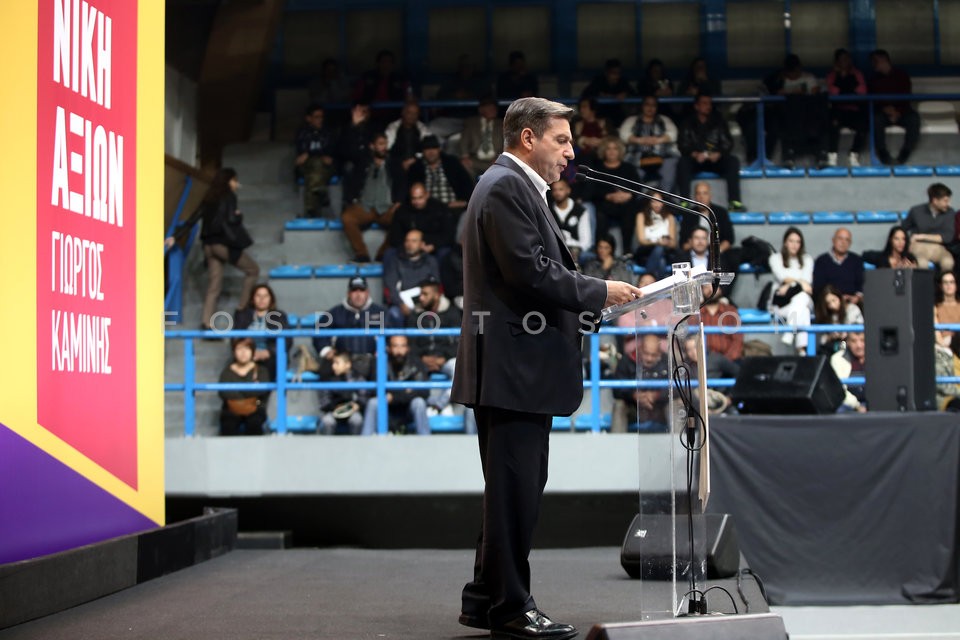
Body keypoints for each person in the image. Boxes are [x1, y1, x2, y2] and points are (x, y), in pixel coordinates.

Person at [451, 97, 641, 640]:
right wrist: (600, 292)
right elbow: (531, 273)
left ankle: (486, 597)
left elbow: (533, 276)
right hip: (514, 373)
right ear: (528, 138)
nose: (571, 151)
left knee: (508, 492)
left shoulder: (509, 185)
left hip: (516, 369)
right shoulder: (507, 186)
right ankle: (511, 608)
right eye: (562, 140)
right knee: (514, 493)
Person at [165, 168, 260, 331]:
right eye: (235, 181)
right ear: (230, 181)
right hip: (222, 244)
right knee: (253, 270)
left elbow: (193, 218)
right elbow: (231, 219)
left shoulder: (209, 197)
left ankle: (206, 322)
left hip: (208, 246)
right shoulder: (230, 196)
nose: (237, 185)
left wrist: (176, 235)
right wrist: (238, 215)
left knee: (214, 285)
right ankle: (241, 309)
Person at [340, 132, 406, 263]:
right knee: (347, 218)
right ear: (372, 146)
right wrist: (351, 200)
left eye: (385, 144)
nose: (384, 147)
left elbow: (403, 184)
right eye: (381, 144)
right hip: (365, 206)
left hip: (387, 207)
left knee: (403, 217)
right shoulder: (362, 162)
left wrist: (398, 202)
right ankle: (362, 254)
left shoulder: (394, 163)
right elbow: (351, 181)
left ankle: (383, 254)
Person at [312, 276, 391, 380]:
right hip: (343, 360)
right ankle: (329, 397)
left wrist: (384, 349)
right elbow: (318, 330)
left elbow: (393, 337)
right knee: (326, 370)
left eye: (362, 290)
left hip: (371, 359)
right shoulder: (336, 312)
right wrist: (326, 351)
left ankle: (377, 397)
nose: (358, 295)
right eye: (354, 291)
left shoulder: (380, 312)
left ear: (367, 292)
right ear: (348, 293)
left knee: (381, 367)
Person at [676, 93, 745, 211]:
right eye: (704, 103)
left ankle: (734, 201)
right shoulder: (688, 123)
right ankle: (685, 202)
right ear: (696, 106)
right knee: (682, 163)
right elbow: (682, 144)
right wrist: (695, 154)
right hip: (696, 160)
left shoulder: (718, 121)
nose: (708, 106)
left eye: (709, 103)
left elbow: (728, 143)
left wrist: (719, 153)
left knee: (733, 161)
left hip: (715, 160)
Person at [406, 275, 463, 414]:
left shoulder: (452, 313)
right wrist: (422, 358)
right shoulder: (415, 315)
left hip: (445, 360)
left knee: (460, 368)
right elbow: (410, 343)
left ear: (437, 295)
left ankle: (438, 405)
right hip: (421, 361)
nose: (421, 298)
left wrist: (442, 358)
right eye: (421, 294)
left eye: (425, 294)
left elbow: (460, 342)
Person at [362, 335, 430, 435]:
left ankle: (426, 444)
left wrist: (393, 397)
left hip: (407, 409)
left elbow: (424, 391)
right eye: (395, 346)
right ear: (388, 348)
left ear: (408, 348)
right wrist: (406, 391)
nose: (399, 351)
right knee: (373, 402)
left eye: (403, 346)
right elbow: (374, 390)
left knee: (419, 403)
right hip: (387, 409)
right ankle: (365, 443)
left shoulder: (416, 363)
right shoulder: (378, 362)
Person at [584, 136, 642, 245]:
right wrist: (608, 196)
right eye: (608, 148)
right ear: (603, 151)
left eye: (615, 148)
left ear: (619, 151)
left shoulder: (629, 168)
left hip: (626, 204)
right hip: (605, 204)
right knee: (600, 216)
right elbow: (592, 191)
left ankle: (627, 251)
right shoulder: (597, 169)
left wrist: (628, 195)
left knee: (630, 213)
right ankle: (600, 249)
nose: (611, 152)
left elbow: (637, 187)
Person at [867, 49, 920, 165]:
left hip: (902, 111)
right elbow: (872, 98)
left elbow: (906, 95)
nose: (873, 64)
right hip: (883, 112)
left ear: (884, 60)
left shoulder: (902, 76)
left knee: (914, 118)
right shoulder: (872, 79)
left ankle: (905, 153)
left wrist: (898, 112)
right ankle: (882, 153)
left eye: (875, 61)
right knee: (876, 119)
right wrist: (885, 109)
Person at [768, 227, 814, 354]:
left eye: (798, 241)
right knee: (803, 309)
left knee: (802, 298)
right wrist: (799, 283)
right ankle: (802, 350)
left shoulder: (807, 259)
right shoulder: (775, 258)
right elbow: (782, 276)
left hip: (800, 302)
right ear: (785, 242)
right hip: (782, 303)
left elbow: (808, 282)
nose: (794, 245)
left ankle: (789, 331)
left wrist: (790, 284)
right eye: (791, 241)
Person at [610, 334, 670, 433]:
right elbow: (616, 389)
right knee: (619, 406)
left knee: (677, 404)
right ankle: (616, 447)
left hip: (660, 408)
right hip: (634, 409)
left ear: (659, 352)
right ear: (640, 349)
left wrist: (657, 395)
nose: (649, 358)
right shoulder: (626, 361)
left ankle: (679, 445)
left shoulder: (667, 362)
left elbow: (678, 388)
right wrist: (633, 395)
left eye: (653, 355)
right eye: (646, 353)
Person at [619, 95, 679, 192]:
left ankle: (665, 200)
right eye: (647, 104)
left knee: (670, 166)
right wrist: (640, 140)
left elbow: (673, 134)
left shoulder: (664, 120)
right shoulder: (632, 120)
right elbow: (623, 134)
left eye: (653, 105)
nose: (650, 108)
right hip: (637, 156)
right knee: (634, 175)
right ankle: (641, 202)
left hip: (663, 156)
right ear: (642, 106)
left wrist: (658, 140)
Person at [382, 229, 441, 325]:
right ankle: (399, 340)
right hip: (403, 304)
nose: (409, 244)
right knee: (394, 313)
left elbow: (436, 286)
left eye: (414, 241)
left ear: (422, 244)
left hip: (425, 302)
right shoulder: (395, 261)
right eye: (407, 241)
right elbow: (390, 288)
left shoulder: (431, 261)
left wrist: (430, 303)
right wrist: (401, 304)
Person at [233, 284, 292, 378]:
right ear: (252, 298)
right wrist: (249, 353)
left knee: (271, 365)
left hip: (270, 357)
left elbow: (287, 340)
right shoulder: (242, 315)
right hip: (247, 355)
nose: (262, 299)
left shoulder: (279, 316)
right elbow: (235, 338)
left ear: (271, 299)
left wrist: (268, 352)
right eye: (258, 296)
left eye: (265, 296)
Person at [407, 135, 474, 215]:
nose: (431, 152)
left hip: (453, 209)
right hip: (428, 211)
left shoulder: (452, 163)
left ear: (439, 149)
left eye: (434, 148)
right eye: (427, 149)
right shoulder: (416, 168)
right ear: (423, 152)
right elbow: (411, 193)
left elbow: (467, 185)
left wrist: (465, 203)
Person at [385, 182, 455, 258]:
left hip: (433, 246)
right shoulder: (402, 211)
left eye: (420, 197)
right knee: (390, 253)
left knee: (445, 252)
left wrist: (434, 245)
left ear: (427, 195)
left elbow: (448, 235)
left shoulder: (440, 209)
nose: (417, 202)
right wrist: (412, 245)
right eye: (414, 198)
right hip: (408, 247)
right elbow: (395, 237)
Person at [218, 337, 271, 436]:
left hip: (256, 407)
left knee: (254, 423)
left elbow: (263, 390)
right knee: (228, 425)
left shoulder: (261, 370)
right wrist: (251, 389)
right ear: (234, 351)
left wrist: (236, 389)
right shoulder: (227, 371)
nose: (243, 352)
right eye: (239, 349)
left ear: (252, 351)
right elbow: (223, 393)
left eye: (247, 348)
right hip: (231, 408)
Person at [825, 48, 868, 168]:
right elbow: (833, 92)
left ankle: (854, 153)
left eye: (847, 59)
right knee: (832, 124)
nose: (846, 62)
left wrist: (847, 80)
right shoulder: (832, 75)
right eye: (842, 60)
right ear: (837, 62)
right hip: (838, 110)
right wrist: (840, 76)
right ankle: (832, 154)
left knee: (863, 125)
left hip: (854, 110)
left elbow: (862, 91)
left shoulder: (857, 74)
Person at [294, 104, 337, 217]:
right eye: (316, 117)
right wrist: (317, 154)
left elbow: (330, 150)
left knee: (315, 171)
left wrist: (309, 154)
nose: (320, 120)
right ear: (309, 118)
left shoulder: (329, 132)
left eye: (321, 117)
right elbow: (302, 151)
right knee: (315, 165)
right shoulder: (302, 133)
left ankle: (311, 208)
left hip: (325, 166)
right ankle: (321, 193)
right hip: (307, 165)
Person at [903, 183, 958, 272]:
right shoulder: (916, 211)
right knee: (922, 263)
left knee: (948, 262)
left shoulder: (950, 213)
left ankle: (943, 285)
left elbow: (948, 237)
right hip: (918, 246)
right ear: (935, 200)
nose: (948, 204)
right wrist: (908, 243)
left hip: (939, 247)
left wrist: (920, 236)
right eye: (945, 201)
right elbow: (903, 229)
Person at [317, 350, 367, 436]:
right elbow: (324, 400)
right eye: (333, 363)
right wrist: (334, 407)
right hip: (332, 411)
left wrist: (357, 404)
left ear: (348, 364)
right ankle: (325, 447)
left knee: (357, 420)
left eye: (337, 363)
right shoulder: (329, 378)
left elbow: (363, 395)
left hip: (352, 411)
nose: (333, 366)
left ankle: (357, 447)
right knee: (327, 421)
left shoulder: (357, 378)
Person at [812, 227, 864, 306]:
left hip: (851, 302)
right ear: (833, 240)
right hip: (828, 303)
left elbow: (861, 284)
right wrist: (835, 299)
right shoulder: (821, 261)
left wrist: (856, 297)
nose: (843, 242)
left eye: (847, 240)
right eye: (840, 238)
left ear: (850, 243)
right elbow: (818, 288)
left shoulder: (856, 260)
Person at [580, 58, 635, 126]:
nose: (616, 76)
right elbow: (586, 94)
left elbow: (633, 93)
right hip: (601, 113)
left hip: (617, 114)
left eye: (618, 73)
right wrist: (602, 95)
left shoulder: (623, 82)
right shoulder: (598, 81)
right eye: (613, 73)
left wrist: (625, 94)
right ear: (606, 73)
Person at [549, 177, 592, 263]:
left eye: (561, 189)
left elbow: (586, 242)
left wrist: (570, 247)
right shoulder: (547, 210)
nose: (557, 193)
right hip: (554, 251)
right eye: (555, 190)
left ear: (568, 190)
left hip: (576, 251)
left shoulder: (580, 211)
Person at [459, 95, 504, 178]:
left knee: (503, 169)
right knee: (464, 166)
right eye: (490, 108)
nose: (493, 110)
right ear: (481, 110)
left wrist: (499, 158)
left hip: (495, 160)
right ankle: (471, 191)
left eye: (494, 108)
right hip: (475, 160)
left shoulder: (502, 124)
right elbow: (464, 141)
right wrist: (465, 156)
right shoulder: (471, 122)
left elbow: (507, 144)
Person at [814, 284, 864, 355]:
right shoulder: (828, 315)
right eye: (828, 303)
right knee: (823, 350)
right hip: (834, 343)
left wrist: (845, 334)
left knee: (840, 349)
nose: (832, 305)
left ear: (839, 297)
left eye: (834, 300)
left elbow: (857, 332)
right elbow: (821, 339)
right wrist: (830, 337)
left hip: (849, 343)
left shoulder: (852, 309)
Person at [633, 194, 677, 276]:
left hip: (666, 252)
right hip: (646, 253)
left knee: (661, 256)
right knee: (660, 256)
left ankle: (648, 279)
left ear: (663, 202)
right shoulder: (641, 216)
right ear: (649, 202)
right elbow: (642, 240)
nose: (657, 204)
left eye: (659, 201)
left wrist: (666, 242)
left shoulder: (670, 217)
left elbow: (673, 243)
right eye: (654, 201)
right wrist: (658, 242)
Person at [385, 101, 434, 172]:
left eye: (415, 113)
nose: (412, 116)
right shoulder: (393, 127)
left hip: (418, 165)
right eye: (409, 113)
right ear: (403, 112)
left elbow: (428, 148)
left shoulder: (423, 129)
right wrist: (399, 163)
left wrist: (415, 159)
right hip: (395, 166)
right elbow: (387, 149)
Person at [829, 332, 867, 412]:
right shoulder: (837, 359)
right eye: (854, 341)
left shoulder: (878, 357)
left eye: (862, 340)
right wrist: (857, 406)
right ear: (848, 342)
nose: (859, 345)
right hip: (849, 404)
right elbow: (840, 390)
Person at [572, 97, 609, 162]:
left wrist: (600, 141)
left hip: (601, 156)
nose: (581, 110)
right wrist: (583, 140)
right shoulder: (577, 124)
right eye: (580, 107)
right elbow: (572, 140)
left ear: (593, 109)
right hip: (581, 156)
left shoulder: (604, 122)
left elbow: (612, 139)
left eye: (584, 107)